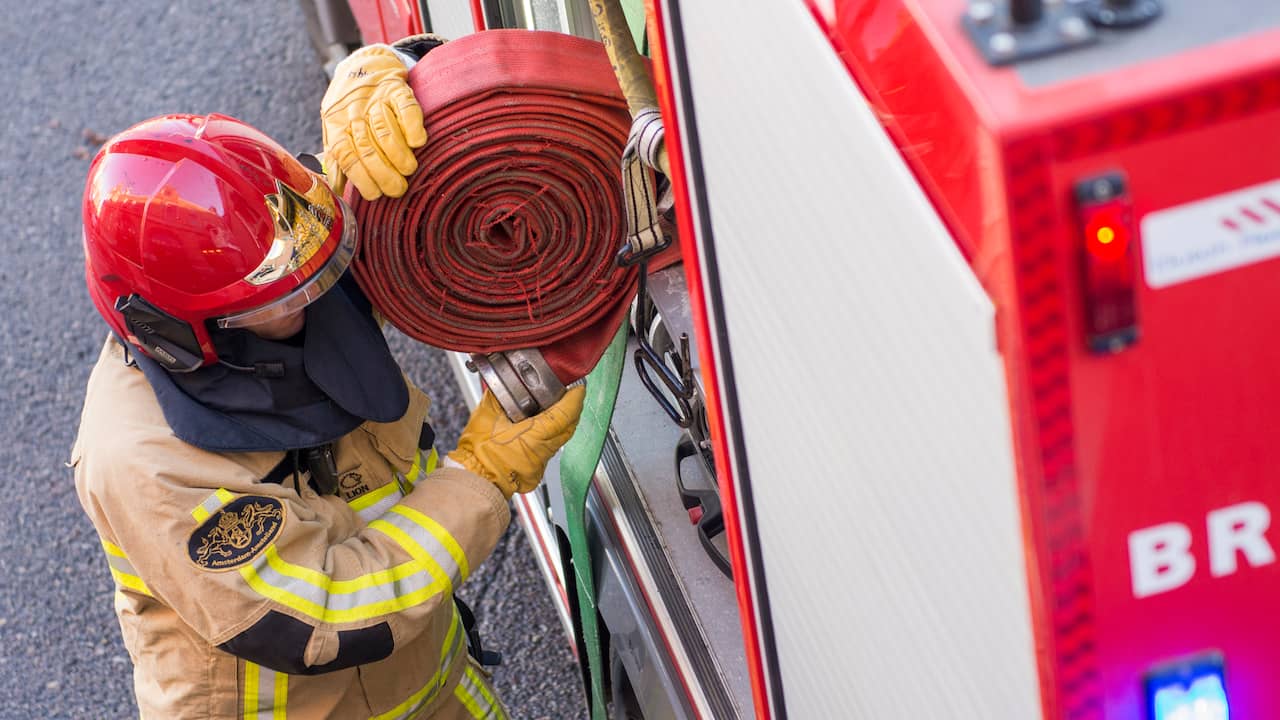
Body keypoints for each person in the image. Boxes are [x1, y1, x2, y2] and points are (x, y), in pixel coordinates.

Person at [71, 43, 584, 719]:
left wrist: (386, 71)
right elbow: (324, 616)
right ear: (180, 330)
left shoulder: (282, 249)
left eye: (317, 271)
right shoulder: (145, 462)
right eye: (276, 303)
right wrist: (480, 476)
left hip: (430, 686)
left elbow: (381, 167)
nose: (312, 300)